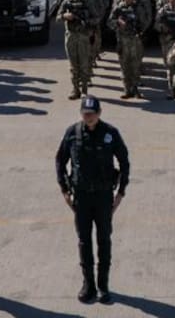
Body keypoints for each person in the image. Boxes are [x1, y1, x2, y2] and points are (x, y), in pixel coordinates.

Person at [55, 96, 130, 304]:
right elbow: (60, 161)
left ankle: (103, 285)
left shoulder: (110, 133)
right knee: (84, 240)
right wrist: (64, 190)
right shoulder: (72, 133)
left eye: (92, 113)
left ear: (99, 113)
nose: (89, 117)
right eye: (85, 113)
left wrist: (121, 192)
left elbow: (124, 162)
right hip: (81, 197)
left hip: (104, 196)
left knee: (104, 240)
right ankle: (88, 284)